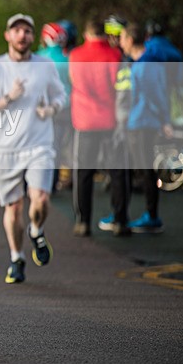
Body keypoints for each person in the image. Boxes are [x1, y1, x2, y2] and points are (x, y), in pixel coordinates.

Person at [0, 14, 66, 284]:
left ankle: (36, 230)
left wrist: (50, 109)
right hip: (6, 150)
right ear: (7, 35)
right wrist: (8, 98)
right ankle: (17, 258)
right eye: (16, 30)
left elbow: (61, 95)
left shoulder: (45, 66)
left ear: (32, 36)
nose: (22, 35)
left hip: (39, 145)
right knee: (14, 208)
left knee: (41, 199)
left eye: (27, 31)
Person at [68, 18, 125, 236]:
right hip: (111, 120)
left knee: (83, 173)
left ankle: (83, 221)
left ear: (86, 34)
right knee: (118, 171)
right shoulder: (114, 55)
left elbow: (73, 80)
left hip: (85, 121)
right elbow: (120, 86)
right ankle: (120, 220)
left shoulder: (76, 55)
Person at [119, 22, 173, 233]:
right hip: (142, 121)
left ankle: (151, 216)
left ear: (131, 40)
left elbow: (155, 95)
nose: (120, 43)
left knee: (145, 170)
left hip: (143, 123)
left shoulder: (144, 65)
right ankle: (147, 215)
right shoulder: (146, 63)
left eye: (122, 38)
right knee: (143, 170)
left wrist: (164, 120)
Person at [36, 22, 72, 192]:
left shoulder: (38, 58)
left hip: (44, 110)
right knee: (61, 146)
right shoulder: (69, 59)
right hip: (66, 108)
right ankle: (57, 181)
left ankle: (43, 182)